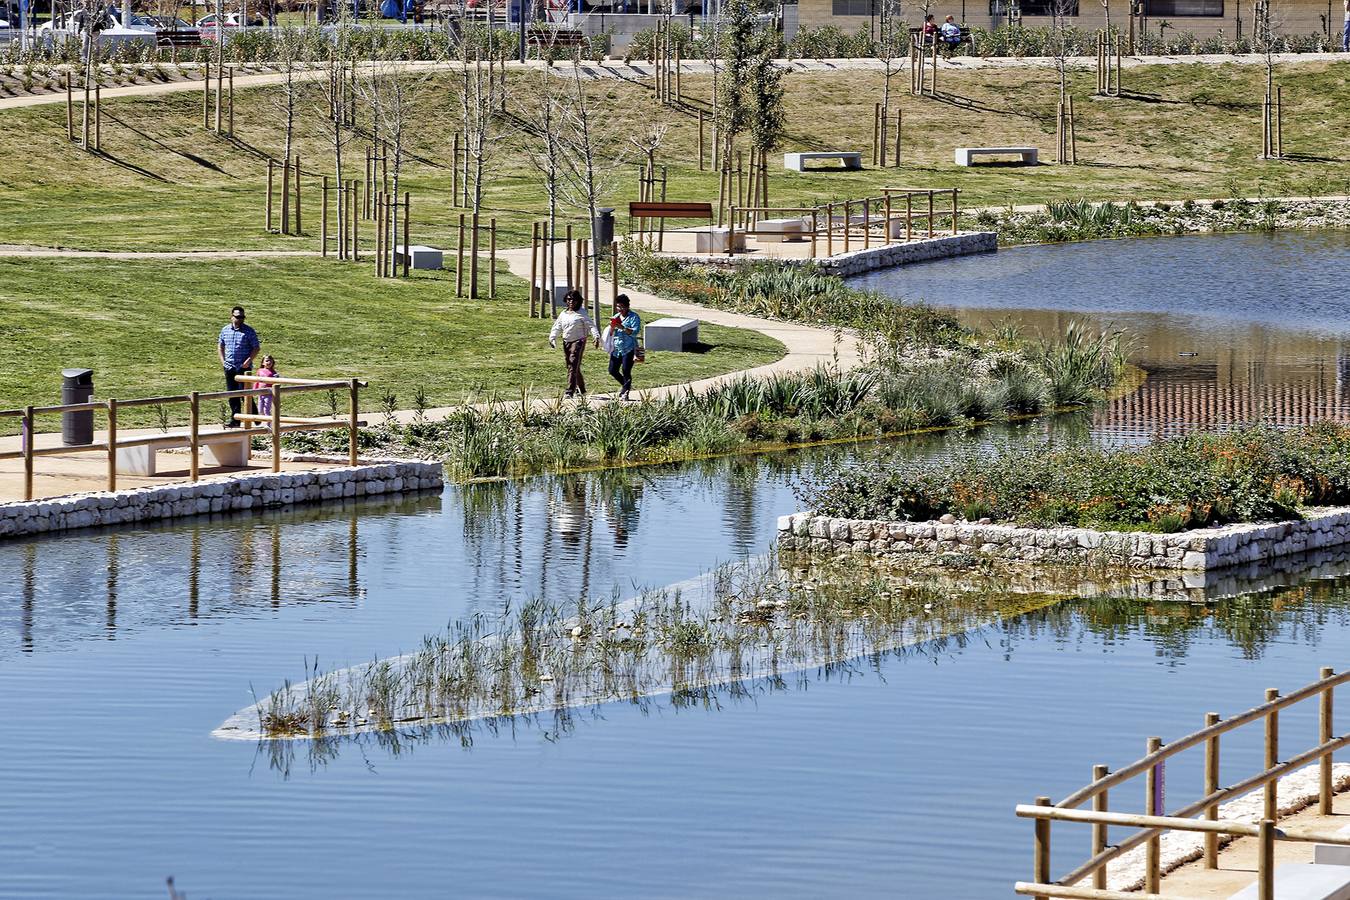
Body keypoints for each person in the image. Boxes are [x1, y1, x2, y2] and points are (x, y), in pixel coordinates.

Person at [548, 291, 601, 398]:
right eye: (568, 299)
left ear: (578, 301)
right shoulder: (564, 313)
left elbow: (591, 326)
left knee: (572, 364)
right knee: (572, 365)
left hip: (579, 341)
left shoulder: (582, 313)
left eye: (573, 300)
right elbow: (557, 326)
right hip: (566, 341)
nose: (571, 302)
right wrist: (552, 338)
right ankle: (582, 389)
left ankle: (569, 391)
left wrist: (596, 336)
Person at [218, 305, 260, 427]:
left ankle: (254, 416)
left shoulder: (248, 331)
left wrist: (248, 360)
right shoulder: (225, 330)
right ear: (231, 317)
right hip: (230, 366)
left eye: (242, 317)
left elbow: (256, 347)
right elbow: (220, 345)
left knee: (245, 393)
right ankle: (235, 420)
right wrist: (223, 361)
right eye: (238, 317)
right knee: (232, 394)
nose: (240, 319)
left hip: (243, 367)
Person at [606, 294, 641, 401]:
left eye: (622, 307)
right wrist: (612, 327)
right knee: (612, 370)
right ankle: (626, 385)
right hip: (617, 348)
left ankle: (625, 392)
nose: (620, 309)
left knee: (626, 370)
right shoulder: (616, 317)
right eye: (618, 307)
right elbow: (611, 333)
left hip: (629, 348)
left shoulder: (634, 317)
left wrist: (622, 327)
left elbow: (634, 332)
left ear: (627, 307)